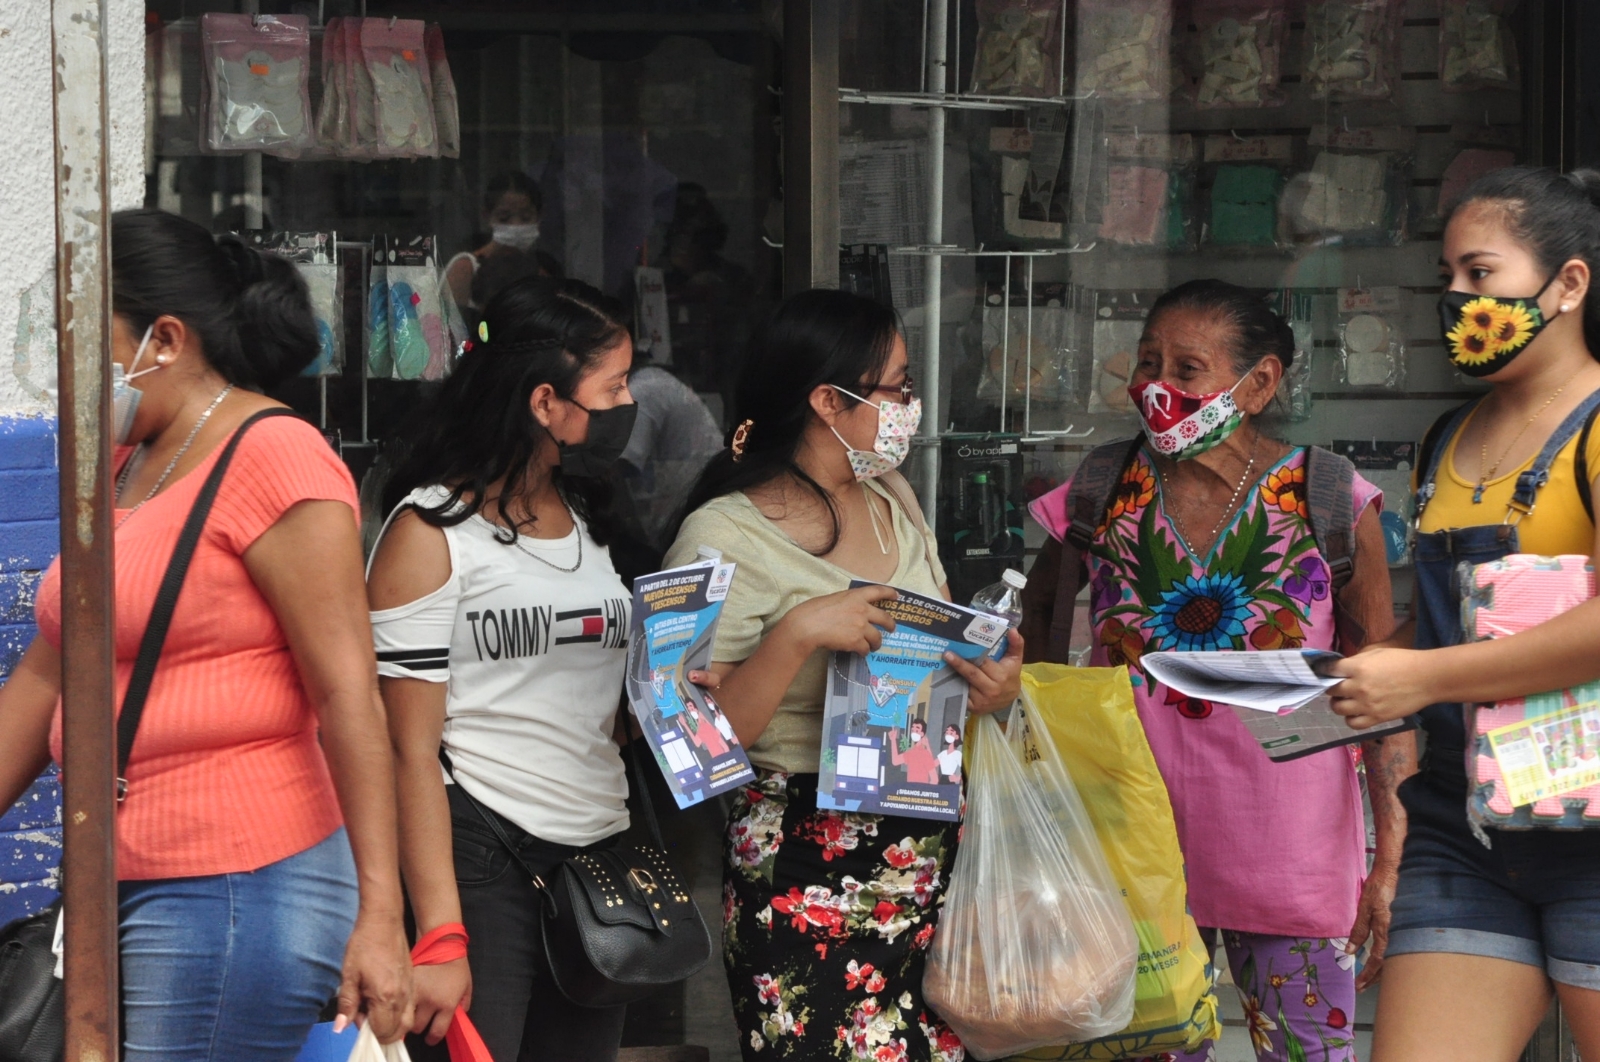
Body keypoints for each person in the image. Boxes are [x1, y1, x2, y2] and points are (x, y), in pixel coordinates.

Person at [0, 209, 413, 1060]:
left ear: (166, 337)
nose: (70, 365)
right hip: (123, 875)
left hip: (237, 890)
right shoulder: (128, 463)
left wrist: (382, 914)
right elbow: (50, 675)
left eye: (88, 339)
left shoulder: (276, 456)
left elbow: (348, 696)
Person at [1021, 279, 1416, 1062]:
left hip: (1295, 860)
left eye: (1187, 366)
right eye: (1146, 362)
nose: (1155, 385)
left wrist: (1389, 861)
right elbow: (1032, 659)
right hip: (1131, 855)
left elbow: (1381, 689)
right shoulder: (1100, 492)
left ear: (1260, 383)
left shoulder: (1329, 495)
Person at [663, 289, 1023, 1062]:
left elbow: (945, 654)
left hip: (927, 860)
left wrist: (993, 680)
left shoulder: (894, 498)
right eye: (897, 387)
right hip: (805, 867)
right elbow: (691, 750)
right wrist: (796, 634)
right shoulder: (721, 534)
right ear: (830, 400)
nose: (910, 406)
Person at [1327, 167, 1600, 1062]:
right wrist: (1344, 678)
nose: (1456, 300)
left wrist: (1420, 677)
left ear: (1568, 284)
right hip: (1462, 825)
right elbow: (1449, 626)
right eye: (1447, 279)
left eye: (1479, 276)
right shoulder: (1446, 438)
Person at [368, 277, 639, 1062]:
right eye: (612, 387)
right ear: (545, 401)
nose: (629, 403)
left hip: (596, 848)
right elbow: (406, 748)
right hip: (481, 852)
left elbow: (596, 704)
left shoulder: (595, 516)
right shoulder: (431, 532)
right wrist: (442, 932)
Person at [618, 355, 724, 552]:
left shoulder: (644, 388)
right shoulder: (658, 382)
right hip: (696, 513)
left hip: (685, 520)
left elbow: (621, 469)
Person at [444, 172, 546, 314]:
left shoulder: (541, 270)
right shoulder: (466, 268)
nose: (515, 225)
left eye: (525, 217)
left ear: (539, 217)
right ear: (487, 216)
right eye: (504, 218)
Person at [889, 719, 939, 785]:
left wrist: (926, 791)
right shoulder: (911, 753)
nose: (914, 732)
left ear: (922, 733)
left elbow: (934, 779)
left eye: (917, 730)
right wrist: (893, 740)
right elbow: (895, 761)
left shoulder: (925, 754)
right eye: (912, 730)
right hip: (910, 791)